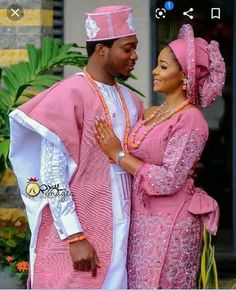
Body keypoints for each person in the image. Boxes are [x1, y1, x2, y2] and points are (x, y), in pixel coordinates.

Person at [9, 6, 144, 289]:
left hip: (125, 231)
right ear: (101, 50)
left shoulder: (132, 100)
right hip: (85, 231)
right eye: (127, 48)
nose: (135, 56)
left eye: (135, 48)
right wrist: (74, 236)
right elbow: (51, 176)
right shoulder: (69, 95)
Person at [94, 24, 225, 289]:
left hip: (171, 224)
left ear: (185, 75)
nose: (154, 71)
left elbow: (168, 180)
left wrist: (117, 153)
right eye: (157, 65)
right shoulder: (152, 112)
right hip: (141, 219)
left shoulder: (191, 120)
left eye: (163, 67)